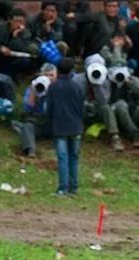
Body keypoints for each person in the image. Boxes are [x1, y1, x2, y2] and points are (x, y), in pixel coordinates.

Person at [47, 57, 84, 196]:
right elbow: (81, 108)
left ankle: (63, 188)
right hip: (75, 125)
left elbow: (49, 108)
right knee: (74, 157)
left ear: (58, 70)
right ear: (72, 70)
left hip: (59, 126)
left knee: (63, 157)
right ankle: (74, 188)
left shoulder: (53, 87)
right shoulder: (77, 87)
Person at [0, 8, 35, 81]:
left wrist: (15, 37)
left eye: (21, 22)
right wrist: (0, 47)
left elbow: (24, 50)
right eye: (16, 21)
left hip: (10, 60)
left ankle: (7, 78)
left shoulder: (26, 34)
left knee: (24, 61)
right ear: (10, 20)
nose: (19, 24)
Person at [16, 62, 57, 157]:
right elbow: (27, 108)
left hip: (53, 123)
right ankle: (30, 149)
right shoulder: (33, 87)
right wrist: (34, 92)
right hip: (37, 122)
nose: (48, 78)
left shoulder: (59, 87)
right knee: (27, 126)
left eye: (51, 75)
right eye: (46, 75)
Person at [110, 66, 139, 153]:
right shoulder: (110, 83)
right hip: (119, 117)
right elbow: (108, 100)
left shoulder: (133, 81)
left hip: (133, 113)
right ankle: (135, 135)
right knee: (121, 105)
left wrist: (130, 84)